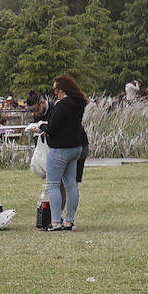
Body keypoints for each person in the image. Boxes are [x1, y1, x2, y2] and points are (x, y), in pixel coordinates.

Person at [32, 74, 89, 231]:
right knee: (71, 185)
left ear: (61, 89)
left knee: (53, 185)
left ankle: (56, 221)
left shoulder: (62, 105)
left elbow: (53, 128)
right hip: (75, 147)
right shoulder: (78, 103)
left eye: (55, 88)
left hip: (60, 149)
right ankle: (69, 221)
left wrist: (41, 126)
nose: (54, 92)